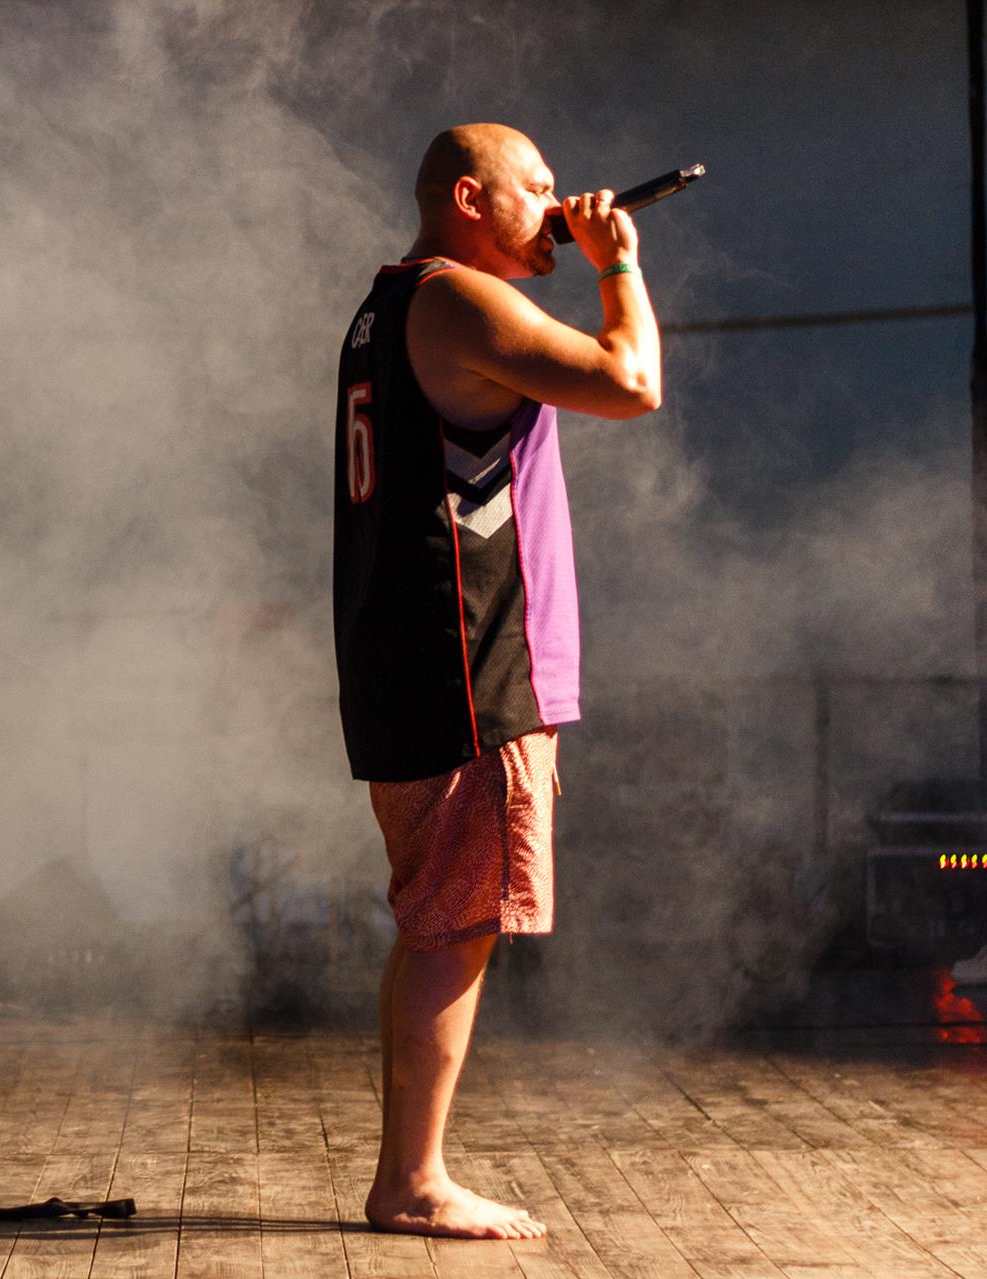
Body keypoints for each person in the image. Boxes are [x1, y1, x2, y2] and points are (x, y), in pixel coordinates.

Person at [333, 123, 662, 1239]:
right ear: (470, 199)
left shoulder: (388, 305)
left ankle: (408, 1172)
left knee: (439, 919)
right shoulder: (458, 300)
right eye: (539, 188)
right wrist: (616, 264)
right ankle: (412, 1180)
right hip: (470, 667)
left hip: (418, 661)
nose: (559, 206)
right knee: (453, 924)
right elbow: (631, 382)